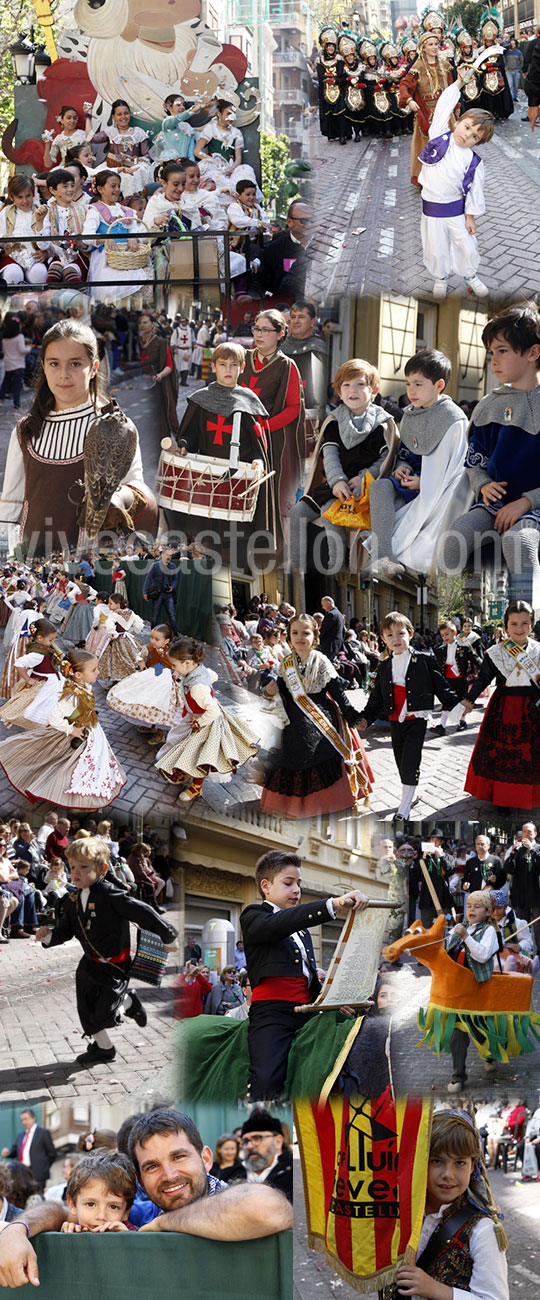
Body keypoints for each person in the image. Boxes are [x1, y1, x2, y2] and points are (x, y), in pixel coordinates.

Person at [0, 1109, 292, 1286]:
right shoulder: (137, 1213)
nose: (168, 1174)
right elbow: (60, 1210)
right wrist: (16, 1230)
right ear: (140, 1178)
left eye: (178, 1156)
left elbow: (267, 1208)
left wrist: (164, 1224)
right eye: (152, 1166)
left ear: (205, 1158)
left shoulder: (229, 1200)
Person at [0, 318, 156, 553]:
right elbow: (10, 509)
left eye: (75, 363)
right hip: (32, 561)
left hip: (94, 563)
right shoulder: (26, 430)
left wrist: (120, 497)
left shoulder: (116, 427)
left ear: (93, 368)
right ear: (43, 366)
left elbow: (137, 490)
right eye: (54, 363)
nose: (63, 374)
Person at [34, 837, 177, 1066]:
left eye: (83, 867)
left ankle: (129, 1003)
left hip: (114, 966)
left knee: (105, 1014)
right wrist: (48, 936)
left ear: (101, 869)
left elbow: (143, 912)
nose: (76, 872)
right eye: (72, 867)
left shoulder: (111, 895)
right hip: (89, 964)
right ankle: (104, 1049)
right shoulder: (71, 900)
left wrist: (167, 934)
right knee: (87, 1011)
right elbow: (66, 930)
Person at [240, 848, 369, 1099]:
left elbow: (308, 979)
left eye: (299, 883)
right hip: (272, 1014)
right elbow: (281, 923)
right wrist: (334, 903)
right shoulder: (254, 916)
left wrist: (331, 1002)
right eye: (288, 883)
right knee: (267, 1081)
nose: (296, 889)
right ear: (266, 886)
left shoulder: (302, 932)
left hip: (308, 1010)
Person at [439, 303, 540, 607]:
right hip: (494, 503)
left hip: (535, 506)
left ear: (533, 353)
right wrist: (482, 483)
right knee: (454, 538)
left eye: (502, 351)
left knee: (518, 541)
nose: (493, 360)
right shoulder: (488, 405)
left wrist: (527, 502)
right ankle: (451, 613)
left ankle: (524, 619)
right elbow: (475, 455)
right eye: (491, 353)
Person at [364, 348, 468, 580]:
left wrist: (423, 482)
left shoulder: (453, 419)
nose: (411, 390)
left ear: (439, 385)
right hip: (411, 480)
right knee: (380, 487)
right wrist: (404, 466)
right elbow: (407, 451)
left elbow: (453, 470)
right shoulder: (410, 413)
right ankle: (384, 557)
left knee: (402, 515)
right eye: (408, 383)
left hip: (436, 489)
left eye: (418, 384)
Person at [289, 356, 397, 572]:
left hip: (363, 487)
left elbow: (385, 459)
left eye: (360, 384)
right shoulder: (334, 421)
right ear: (338, 392)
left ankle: (336, 566)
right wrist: (337, 481)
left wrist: (366, 476)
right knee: (297, 514)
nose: (352, 390)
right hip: (334, 483)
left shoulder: (382, 424)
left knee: (332, 513)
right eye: (346, 385)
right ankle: (295, 564)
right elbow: (329, 454)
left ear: (374, 390)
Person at [261, 612, 373, 819]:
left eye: (305, 632)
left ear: (315, 636)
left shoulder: (321, 661)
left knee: (312, 744)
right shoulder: (285, 663)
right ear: (289, 636)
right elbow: (282, 694)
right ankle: (292, 805)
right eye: (295, 632)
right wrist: (268, 692)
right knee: (289, 745)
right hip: (292, 715)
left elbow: (338, 694)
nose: (300, 637)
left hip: (321, 713)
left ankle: (326, 803)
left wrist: (353, 717)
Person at [171, 340, 272, 563]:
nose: (228, 370)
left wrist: (258, 461)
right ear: (214, 367)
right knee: (206, 533)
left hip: (237, 480)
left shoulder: (248, 402)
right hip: (207, 477)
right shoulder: (201, 398)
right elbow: (191, 433)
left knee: (234, 535)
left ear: (242, 368)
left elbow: (258, 444)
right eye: (223, 364)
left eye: (234, 365)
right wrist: (184, 444)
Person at [395, 1109, 508, 1299]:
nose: (448, 1174)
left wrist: (434, 1289)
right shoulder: (403, 1213)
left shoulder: (482, 1230)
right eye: (437, 1161)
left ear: (473, 1166)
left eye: (460, 1163)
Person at [358, 612, 460, 822]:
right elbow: (376, 698)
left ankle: (403, 809)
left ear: (410, 634)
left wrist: (458, 708)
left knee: (410, 762)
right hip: (396, 720)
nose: (396, 639)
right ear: (383, 639)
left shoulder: (423, 659)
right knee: (400, 760)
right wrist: (365, 718)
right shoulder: (384, 665)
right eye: (389, 635)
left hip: (417, 718)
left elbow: (441, 685)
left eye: (400, 633)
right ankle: (411, 794)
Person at [0, 649, 126, 810]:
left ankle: (80, 793)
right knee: (69, 763)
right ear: (78, 675)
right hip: (76, 732)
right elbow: (54, 718)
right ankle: (70, 795)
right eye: (94, 669)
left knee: (80, 762)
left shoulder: (82, 686)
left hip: (90, 729)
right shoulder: (71, 697)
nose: (98, 672)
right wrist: (71, 730)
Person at [155, 637, 259, 803]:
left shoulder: (197, 688)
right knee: (187, 747)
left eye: (174, 665)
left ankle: (196, 787)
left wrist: (199, 722)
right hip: (196, 716)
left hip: (207, 722)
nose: (173, 668)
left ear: (188, 663)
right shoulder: (196, 670)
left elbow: (214, 710)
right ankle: (183, 771)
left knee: (202, 757)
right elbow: (213, 675)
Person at [417, 76, 494, 299]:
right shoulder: (439, 137)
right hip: (431, 207)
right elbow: (443, 105)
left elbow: (474, 191)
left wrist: (470, 217)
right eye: (467, 126)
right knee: (435, 244)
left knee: (466, 245)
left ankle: (469, 274)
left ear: (477, 142)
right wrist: (459, 83)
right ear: (459, 120)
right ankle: (440, 277)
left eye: (474, 136)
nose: (466, 135)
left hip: (456, 210)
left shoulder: (473, 161)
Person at [462, 601, 540, 810]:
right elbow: (483, 678)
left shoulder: (538, 650)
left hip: (533, 708)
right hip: (504, 707)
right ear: (506, 626)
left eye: (525, 623)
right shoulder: (495, 652)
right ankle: (502, 796)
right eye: (514, 624)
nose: (519, 628)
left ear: (532, 625)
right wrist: (470, 699)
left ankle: (530, 794)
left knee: (530, 752)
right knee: (501, 753)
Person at [239, 310, 304, 556]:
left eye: (266, 330)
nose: (259, 334)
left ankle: (269, 548)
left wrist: (265, 428)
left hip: (269, 442)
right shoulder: (242, 357)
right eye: (256, 328)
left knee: (267, 494)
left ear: (279, 334)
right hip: (235, 436)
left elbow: (293, 408)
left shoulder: (287, 366)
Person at [445, 891, 502, 1092]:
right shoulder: (462, 928)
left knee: (480, 1030)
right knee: (457, 1032)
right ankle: (458, 1076)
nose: (471, 909)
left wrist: (465, 936)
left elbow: (482, 955)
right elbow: (444, 951)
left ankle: (490, 1055)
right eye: (469, 906)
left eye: (477, 906)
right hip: (458, 990)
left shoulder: (489, 932)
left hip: (478, 988)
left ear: (488, 912)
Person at [83, 169, 153, 303]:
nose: (117, 190)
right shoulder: (95, 210)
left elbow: (139, 232)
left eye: (118, 186)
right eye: (113, 186)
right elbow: (87, 236)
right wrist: (106, 238)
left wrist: (134, 238)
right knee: (111, 286)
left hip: (129, 256)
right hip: (108, 257)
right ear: (100, 189)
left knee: (142, 277)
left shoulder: (127, 211)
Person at [398, 31, 454, 186]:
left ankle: (447, 177)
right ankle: (429, 179)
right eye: (430, 44)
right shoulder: (417, 67)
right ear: (423, 48)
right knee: (428, 147)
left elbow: (452, 87)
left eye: (436, 44)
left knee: (448, 145)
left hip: (445, 112)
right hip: (426, 112)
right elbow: (404, 85)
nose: (434, 47)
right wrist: (409, 100)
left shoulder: (445, 65)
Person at [247, 201, 313, 300]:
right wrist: (252, 296)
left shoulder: (326, 246)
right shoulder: (274, 249)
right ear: (289, 222)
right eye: (303, 221)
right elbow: (262, 280)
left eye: (312, 220)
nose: (310, 224)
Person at [60, 1151, 136, 1233]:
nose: (101, 1216)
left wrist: (128, 1241)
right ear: (72, 1205)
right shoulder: (73, 1233)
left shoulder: (140, 1237)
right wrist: (67, 1238)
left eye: (113, 1207)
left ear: (126, 1212)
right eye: (90, 1204)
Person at [430, 620, 482, 735]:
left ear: (454, 632)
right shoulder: (440, 650)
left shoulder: (464, 648)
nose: (444, 637)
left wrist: (486, 667)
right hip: (447, 679)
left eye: (447, 634)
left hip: (460, 678)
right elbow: (436, 665)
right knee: (446, 701)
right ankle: (442, 726)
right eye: (442, 635)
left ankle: (462, 721)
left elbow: (476, 659)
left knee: (462, 699)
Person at [0, 177, 49, 288]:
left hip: (34, 255)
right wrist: (4, 238)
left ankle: (35, 303)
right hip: (11, 255)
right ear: (11, 197)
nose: (25, 201)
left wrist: (40, 221)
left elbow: (46, 243)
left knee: (40, 273)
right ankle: (10, 303)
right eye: (20, 197)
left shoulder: (42, 212)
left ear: (33, 194)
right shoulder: (5, 213)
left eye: (28, 196)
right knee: (13, 274)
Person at [235, 1112, 293, 1204]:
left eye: (257, 1138)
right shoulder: (228, 1175)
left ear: (278, 1141)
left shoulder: (294, 1174)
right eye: (245, 1141)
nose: (250, 1146)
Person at [1, 1112, 56, 1195]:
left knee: (38, 1198)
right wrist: (8, 1153)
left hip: (38, 1174)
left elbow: (52, 1153)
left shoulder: (43, 1133)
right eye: (22, 1120)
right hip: (22, 1174)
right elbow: (14, 1151)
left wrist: (44, 1168)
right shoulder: (20, 1136)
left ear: (33, 1118)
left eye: (26, 1119)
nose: (24, 1122)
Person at [505, 823, 540, 950]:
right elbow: (508, 869)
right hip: (520, 896)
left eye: (529, 832)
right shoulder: (517, 850)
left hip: (536, 895)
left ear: (535, 833)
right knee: (522, 927)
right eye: (524, 832)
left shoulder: (538, 848)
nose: (526, 834)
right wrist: (513, 853)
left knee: (538, 928)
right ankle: (524, 953)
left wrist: (532, 850)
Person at [96, 593, 145, 684]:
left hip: (118, 639)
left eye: (111, 603)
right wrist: (134, 631)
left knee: (115, 660)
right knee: (130, 656)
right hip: (127, 638)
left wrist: (113, 635)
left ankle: (116, 680)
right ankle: (127, 678)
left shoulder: (114, 615)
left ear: (118, 604)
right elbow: (139, 623)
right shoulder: (130, 612)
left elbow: (109, 625)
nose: (108, 605)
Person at [143, 548, 179, 636]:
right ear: (162, 554)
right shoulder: (155, 565)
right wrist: (145, 592)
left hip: (168, 594)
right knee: (155, 616)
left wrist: (172, 587)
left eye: (170, 555)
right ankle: (153, 634)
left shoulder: (173, 566)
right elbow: (148, 579)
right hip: (158, 594)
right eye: (167, 555)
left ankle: (176, 634)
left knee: (172, 615)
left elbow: (175, 579)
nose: (169, 557)